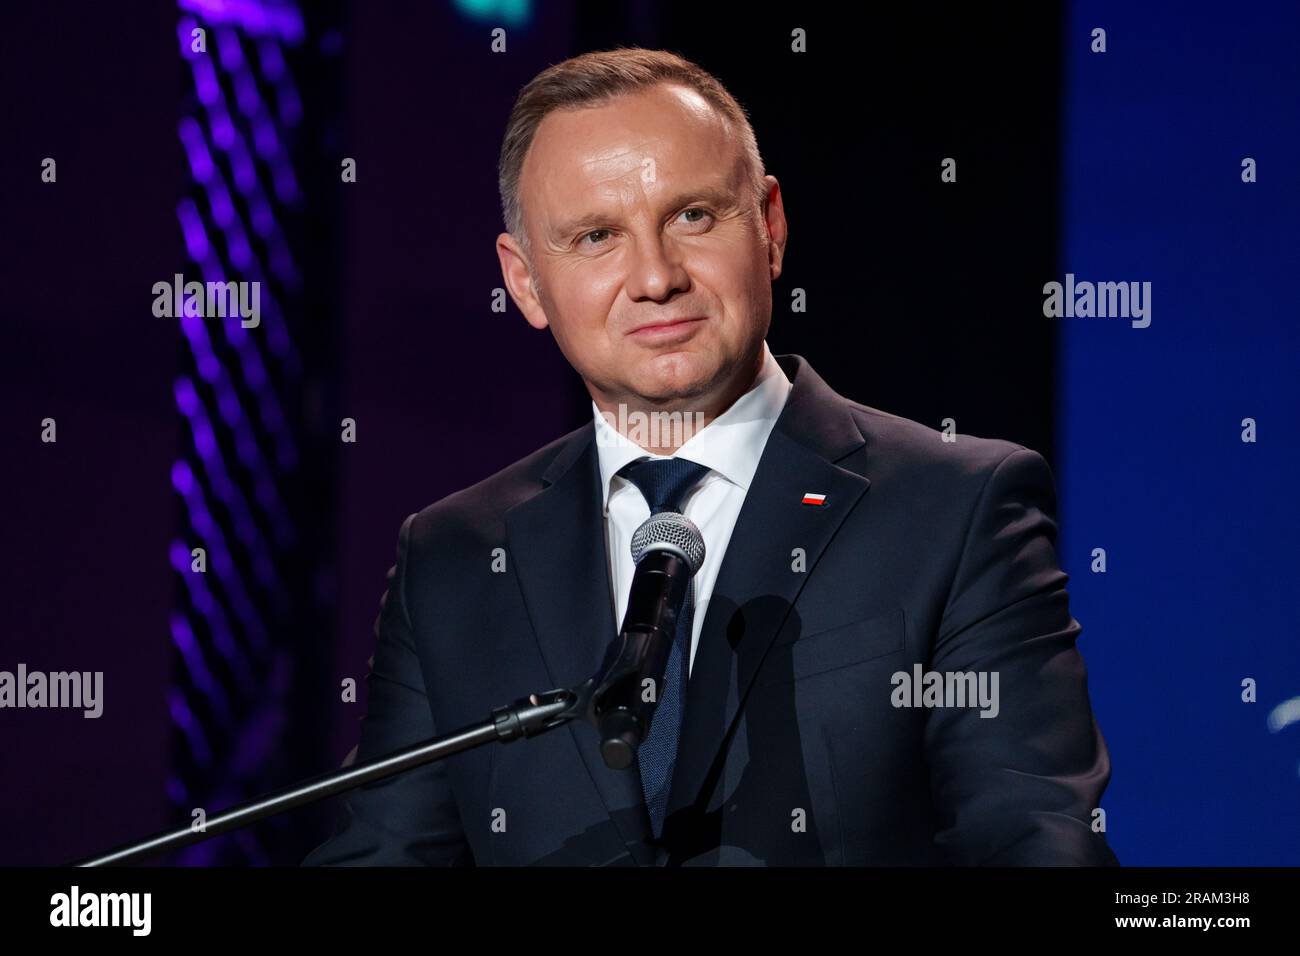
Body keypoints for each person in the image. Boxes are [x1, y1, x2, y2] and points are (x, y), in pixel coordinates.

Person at [303, 47, 1118, 866]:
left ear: (770, 226)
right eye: (596, 236)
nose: (655, 277)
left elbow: (1037, 846)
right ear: (524, 283)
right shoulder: (453, 557)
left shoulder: (958, 507)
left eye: (693, 216)